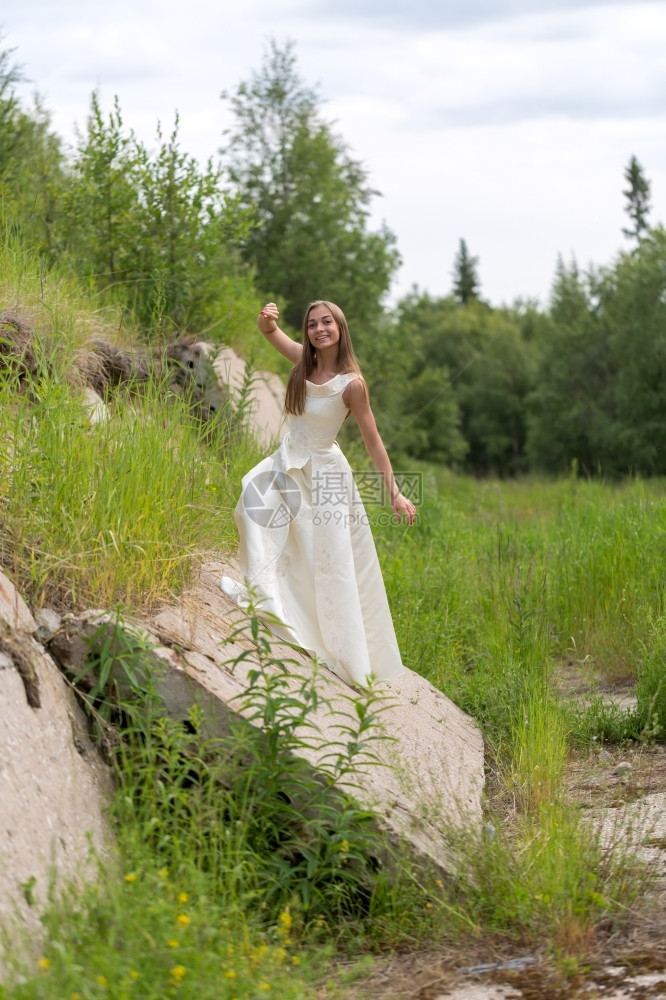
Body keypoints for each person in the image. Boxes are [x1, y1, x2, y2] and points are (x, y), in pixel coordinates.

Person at [220, 300, 416, 687]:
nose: (319, 329)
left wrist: (395, 494)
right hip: (288, 460)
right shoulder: (302, 364)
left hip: (324, 474)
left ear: (340, 328)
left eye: (327, 322)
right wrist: (265, 321)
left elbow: (374, 442)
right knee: (250, 507)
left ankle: (327, 637)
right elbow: (270, 334)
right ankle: (265, 597)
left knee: (320, 557)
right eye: (312, 324)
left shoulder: (352, 384)